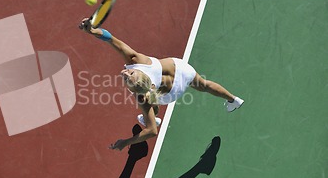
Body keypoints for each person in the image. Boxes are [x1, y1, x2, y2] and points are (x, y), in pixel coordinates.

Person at [78, 19, 244, 151]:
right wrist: (93, 31)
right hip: (180, 69)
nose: (125, 73)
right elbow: (113, 40)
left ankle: (152, 117)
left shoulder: (141, 95)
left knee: (151, 109)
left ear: (135, 89)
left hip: (172, 92)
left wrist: (125, 142)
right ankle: (233, 100)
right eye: (130, 75)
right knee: (204, 84)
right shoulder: (137, 61)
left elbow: (151, 131)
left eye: (129, 77)